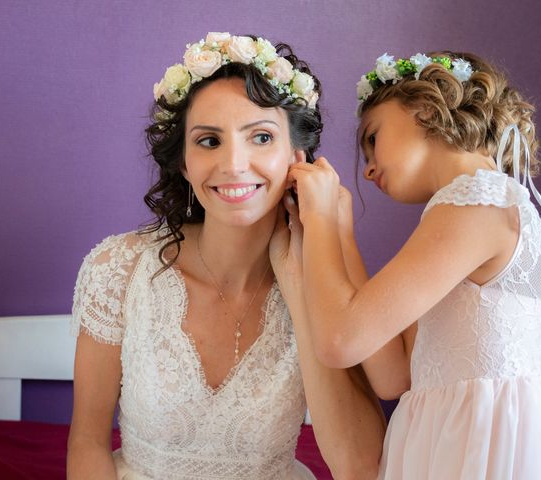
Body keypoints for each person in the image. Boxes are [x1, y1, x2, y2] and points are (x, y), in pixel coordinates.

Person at [66, 32, 384, 480]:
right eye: (209, 141)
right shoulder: (118, 271)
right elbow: (86, 443)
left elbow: (358, 465)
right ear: (184, 164)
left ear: (297, 157)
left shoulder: (326, 286)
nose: (234, 164)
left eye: (260, 137)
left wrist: (297, 283)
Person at [286, 51, 541, 478]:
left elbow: (339, 341)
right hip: (450, 435)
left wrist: (316, 222)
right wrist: (341, 233)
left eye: (373, 138)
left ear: (425, 109)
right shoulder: (463, 208)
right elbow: (393, 376)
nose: (368, 169)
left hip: (486, 443)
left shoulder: (479, 203)